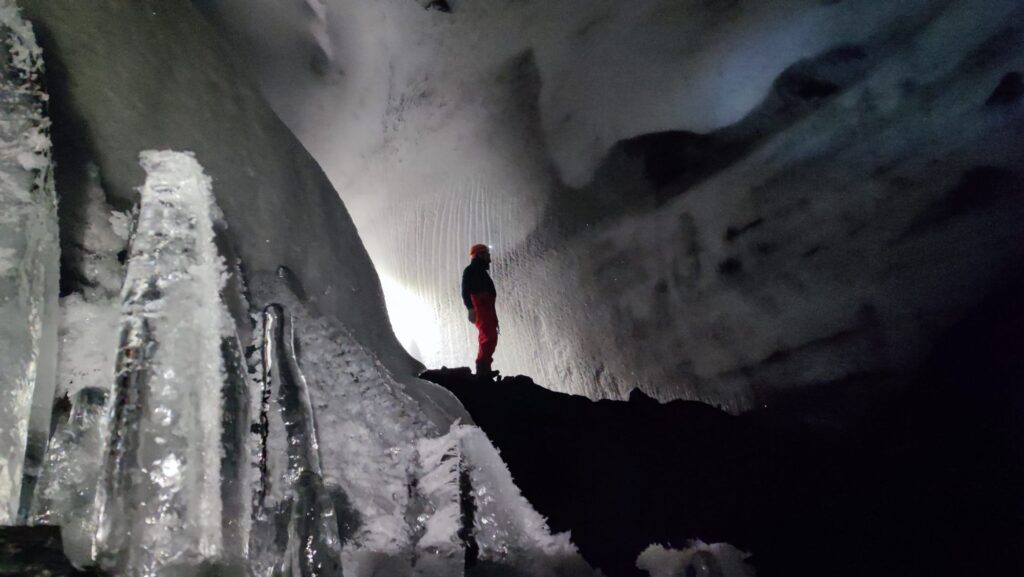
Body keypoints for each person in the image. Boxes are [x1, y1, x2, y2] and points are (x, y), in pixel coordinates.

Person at [462, 243, 498, 380]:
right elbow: (465, 290)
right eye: (487, 254)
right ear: (480, 255)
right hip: (480, 307)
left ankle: (485, 368)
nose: (489, 258)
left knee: (490, 336)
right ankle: (482, 369)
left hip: (486, 308)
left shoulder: (479, 271)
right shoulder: (471, 270)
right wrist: (470, 308)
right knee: (487, 336)